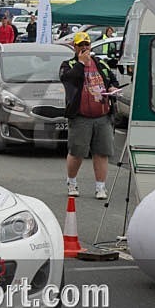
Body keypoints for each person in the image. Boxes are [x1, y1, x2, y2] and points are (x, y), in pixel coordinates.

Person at [59, 31, 120, 200]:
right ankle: (72, 182)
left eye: (87, 44)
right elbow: (69, 80)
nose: (85, 48)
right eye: (81, 45)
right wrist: (81, 63)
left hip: (102, 115)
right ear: (75, 47)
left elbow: (112, 80)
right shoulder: (69, 65)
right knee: (77, 152)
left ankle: (100, 187)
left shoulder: (100, 63)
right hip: (80, 117)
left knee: (102, 152)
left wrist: (112, 89)